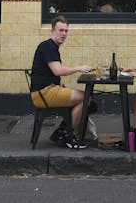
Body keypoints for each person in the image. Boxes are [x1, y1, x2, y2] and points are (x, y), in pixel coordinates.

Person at [29, 15, 93, 149]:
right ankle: (66, 135)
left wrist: (58, 83)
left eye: (66, 31)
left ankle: (61, 132)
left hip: (46, 90)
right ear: (52, 31)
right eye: (61, 30)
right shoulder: (48, 47)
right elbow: (57, 70)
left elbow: (50, 72)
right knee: (86, 98)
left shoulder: (50, 46)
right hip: (44, 94)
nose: (64, 34)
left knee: (85, 99)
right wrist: (78, 68)